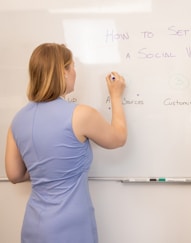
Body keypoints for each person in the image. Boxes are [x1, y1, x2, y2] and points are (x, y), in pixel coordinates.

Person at [5, 43, 127, 243]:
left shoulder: (18, 120)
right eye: (72, 66)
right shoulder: (80, 115)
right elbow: (118, 138)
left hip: (33, 224)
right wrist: (115, 96)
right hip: (70, 225)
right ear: (63, 71)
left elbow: (14, 174)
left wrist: (45, 170)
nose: (75, 72)